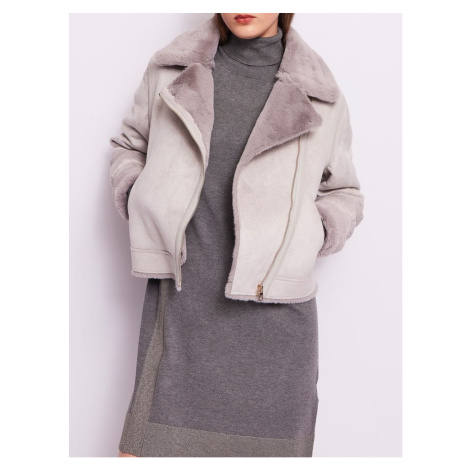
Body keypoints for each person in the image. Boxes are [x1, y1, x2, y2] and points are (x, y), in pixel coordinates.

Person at [109, 13, 364, 458]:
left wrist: (312, 232)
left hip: (277, 330)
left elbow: (344, 192)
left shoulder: (320, 92)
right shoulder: (173, 69)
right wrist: (139, 197)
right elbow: (130, 147)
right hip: (180, 311)